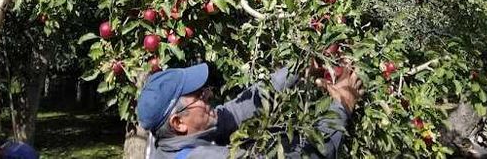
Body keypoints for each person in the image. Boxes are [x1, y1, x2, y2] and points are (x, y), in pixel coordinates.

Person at [136, 62, 363, 158]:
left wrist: (298, 67)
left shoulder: (173, 145)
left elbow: (238, 109)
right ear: (178, 123)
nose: (209, 95)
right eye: (200, 95)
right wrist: (341, 105)